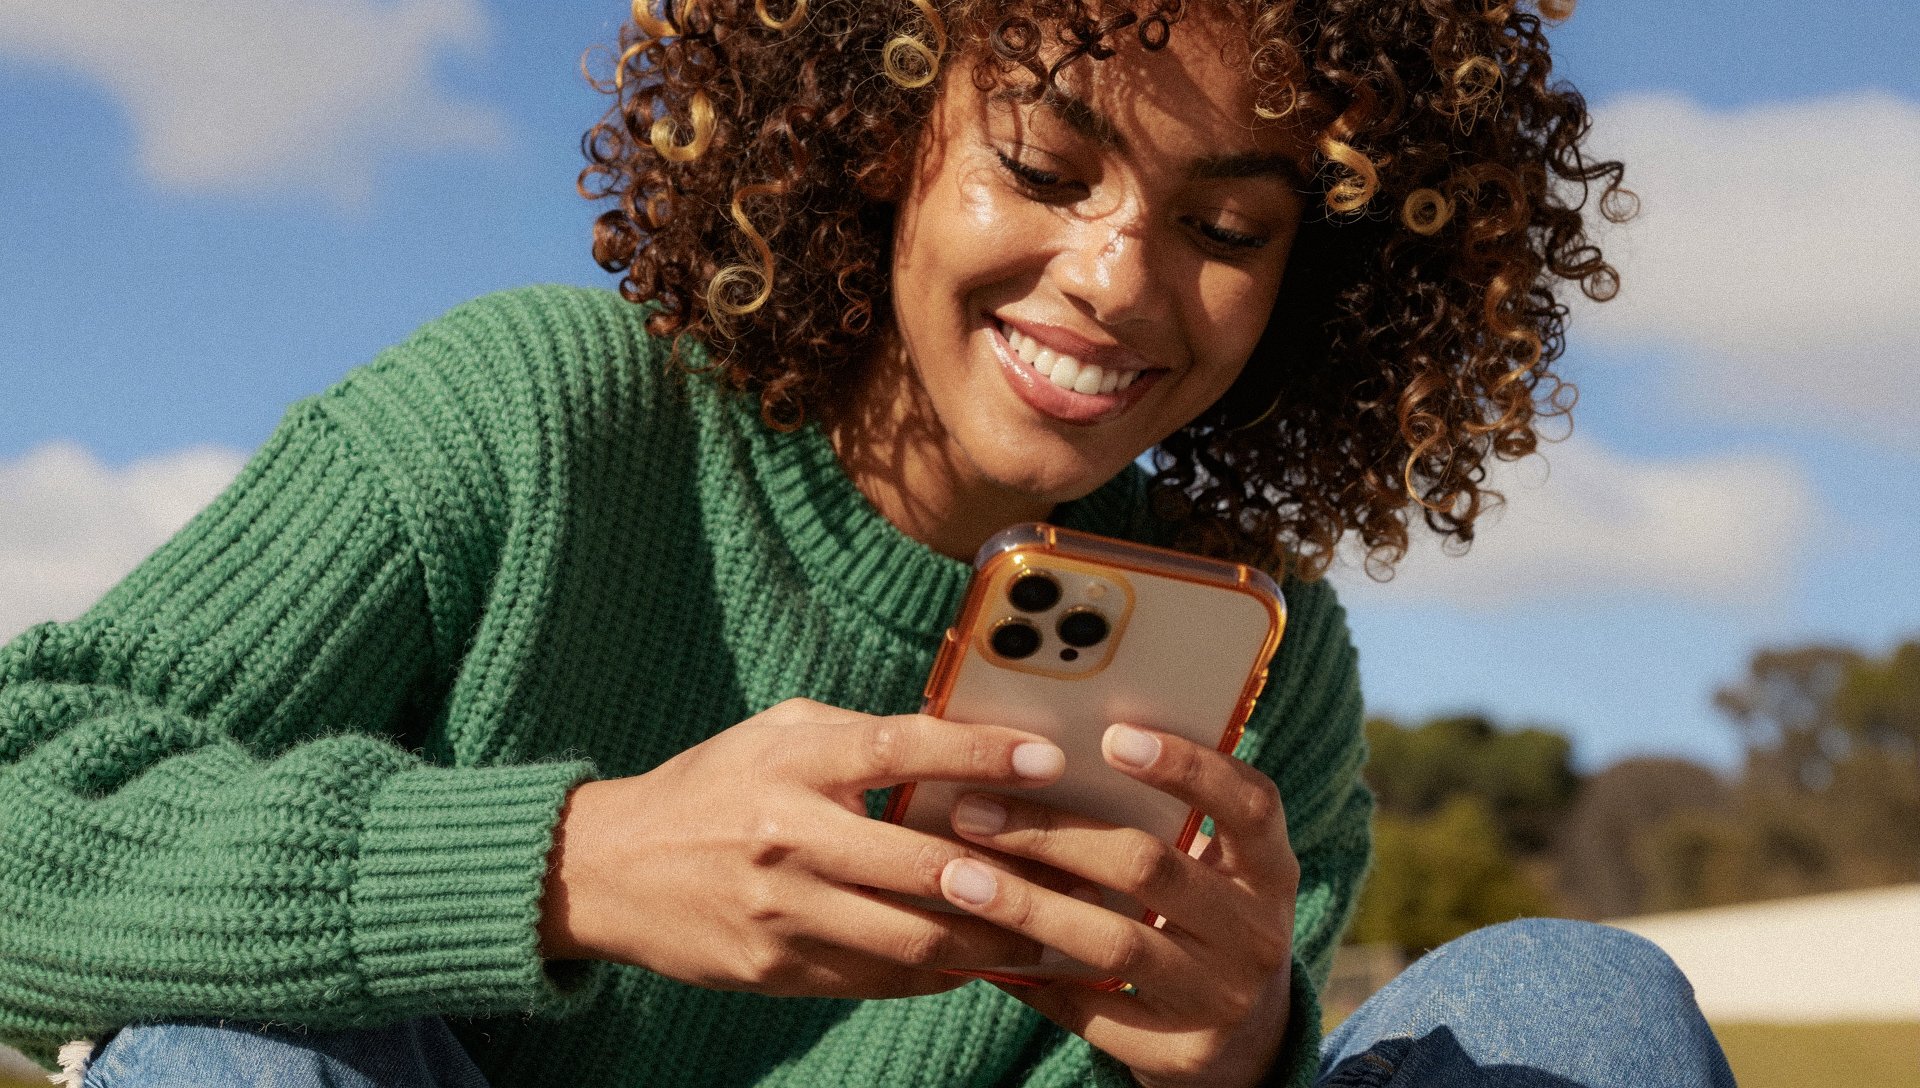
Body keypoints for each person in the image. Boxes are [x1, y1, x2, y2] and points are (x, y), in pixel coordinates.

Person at [0, 1, 1733, 1086]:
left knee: (1572, 1011)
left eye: (1223, 225)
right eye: (1046, 165)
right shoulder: (535, 419)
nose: (1120, 277)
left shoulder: (1261, 671)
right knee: (233, 1043)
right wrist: (571, 864)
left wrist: (1240, 1058)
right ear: (871, 127)